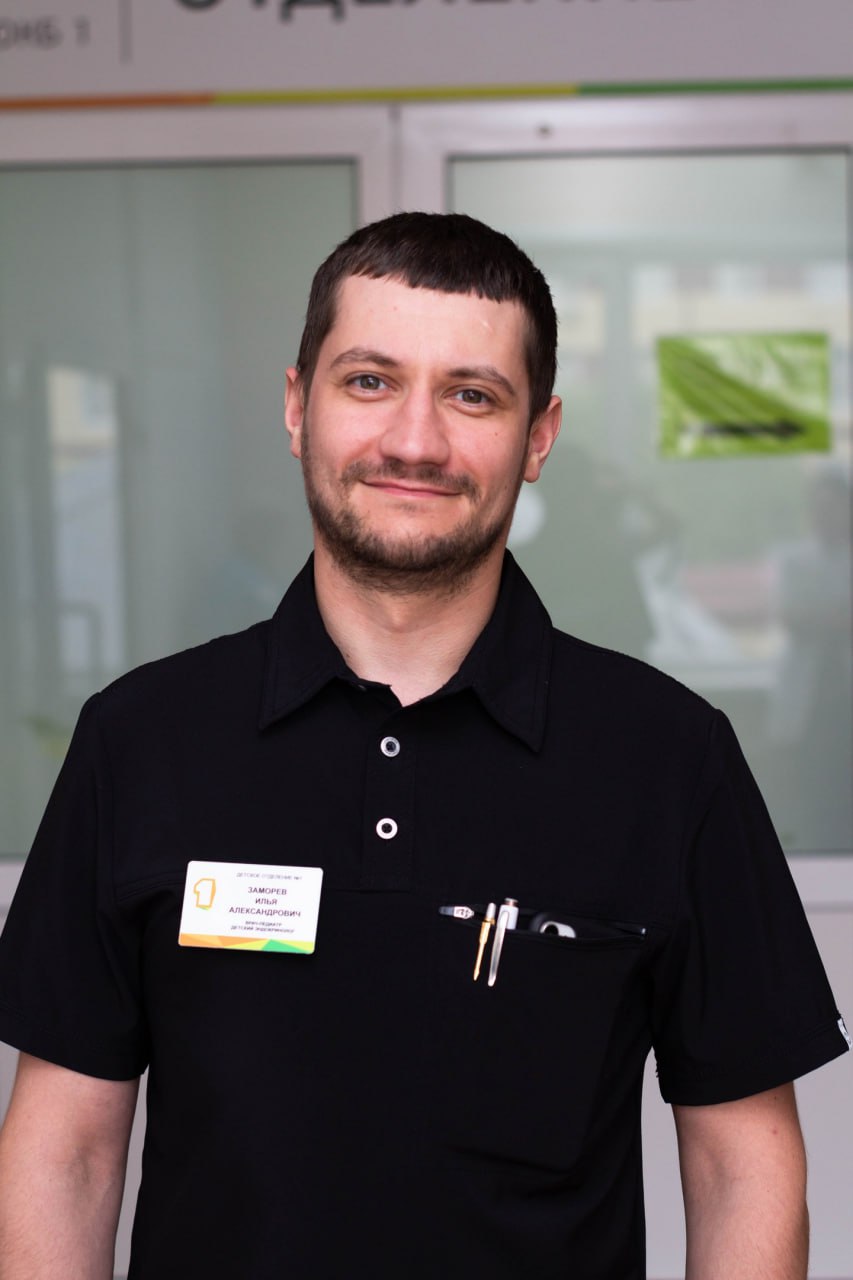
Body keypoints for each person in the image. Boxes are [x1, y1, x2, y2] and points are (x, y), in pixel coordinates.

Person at [0, 212, 847, 1280]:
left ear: (537, 437)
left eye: (471, 395)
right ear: (297, 405)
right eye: (369, 381)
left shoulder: (668, 757)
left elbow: (741, 1168)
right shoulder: (142, 739)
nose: (414, 441)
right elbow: (67, 1150)